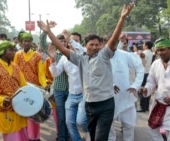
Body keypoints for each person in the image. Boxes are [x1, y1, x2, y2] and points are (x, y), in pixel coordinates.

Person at [37, 3, 134, 141]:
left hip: (106, 104)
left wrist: (122, 18)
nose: (95, 47)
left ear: (101, 45)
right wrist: (48, 32)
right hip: (89, 104)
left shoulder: (105, 55)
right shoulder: (80, 58)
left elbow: (113, 40)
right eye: (91, 44)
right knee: (93, 135)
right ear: (85, 46)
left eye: (97, 44)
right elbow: (61, 47)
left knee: (100, 138)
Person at [48, 43, 90, 141]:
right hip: (72, 94)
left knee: (80, 121)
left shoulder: (85, 56)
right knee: (69, 123)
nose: (72, 46)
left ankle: (89, 132)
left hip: (84, 94)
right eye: (70, 44)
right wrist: (53, 60)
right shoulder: (63, 58)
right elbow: (56, 73)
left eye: (74, 43)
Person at [0, 40, 28, 141]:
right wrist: (1, 100)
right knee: (12, 137)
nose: (14, 52)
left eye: (14, 50)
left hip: (19, 109)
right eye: (10, 50)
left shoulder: (16, 66)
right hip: (4, 110)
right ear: (2, 51)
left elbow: (24, 86)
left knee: (22, 135)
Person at [13, 32, 47, 141]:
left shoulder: (37, 55)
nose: (27, 43)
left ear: (31, 42)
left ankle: (35, 137)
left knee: (34, 113)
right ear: (21, 43)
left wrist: (44, 84)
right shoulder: (18, 55)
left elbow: (41, 72)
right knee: (22, 112)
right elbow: (15, 70)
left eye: (29, 41)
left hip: (34, 88)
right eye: (25, 41)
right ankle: (24, 137)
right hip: (21, 89)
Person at [108, 43, 144, 141]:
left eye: (115, 41)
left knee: (128, 128)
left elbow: (140, 69)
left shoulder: (125, 55)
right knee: (109, 132)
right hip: (108, 100)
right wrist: (110, 84)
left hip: (126, 98)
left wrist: (135, 85)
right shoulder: (100, 56)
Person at [40, 32, 70, 141]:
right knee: (61, 117)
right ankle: (62, 138)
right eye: (59, 41)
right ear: (55, 43)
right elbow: (43, 44)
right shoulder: (55, 55)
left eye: (64, 41)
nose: (62, 43)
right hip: (59, 90)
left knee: (70, 117)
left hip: (72, 90)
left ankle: (68, 136)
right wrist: (45, 31)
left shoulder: (71, 54)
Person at [138, 41, 153, 112]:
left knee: (142, 89)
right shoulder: (151, 53)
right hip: (149, 72)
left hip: (144, 73)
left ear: (146, 46)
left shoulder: (144, 53)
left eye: (143, 45)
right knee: (147, 89)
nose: (142, 46)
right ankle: (146, 106)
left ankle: (142, 106)